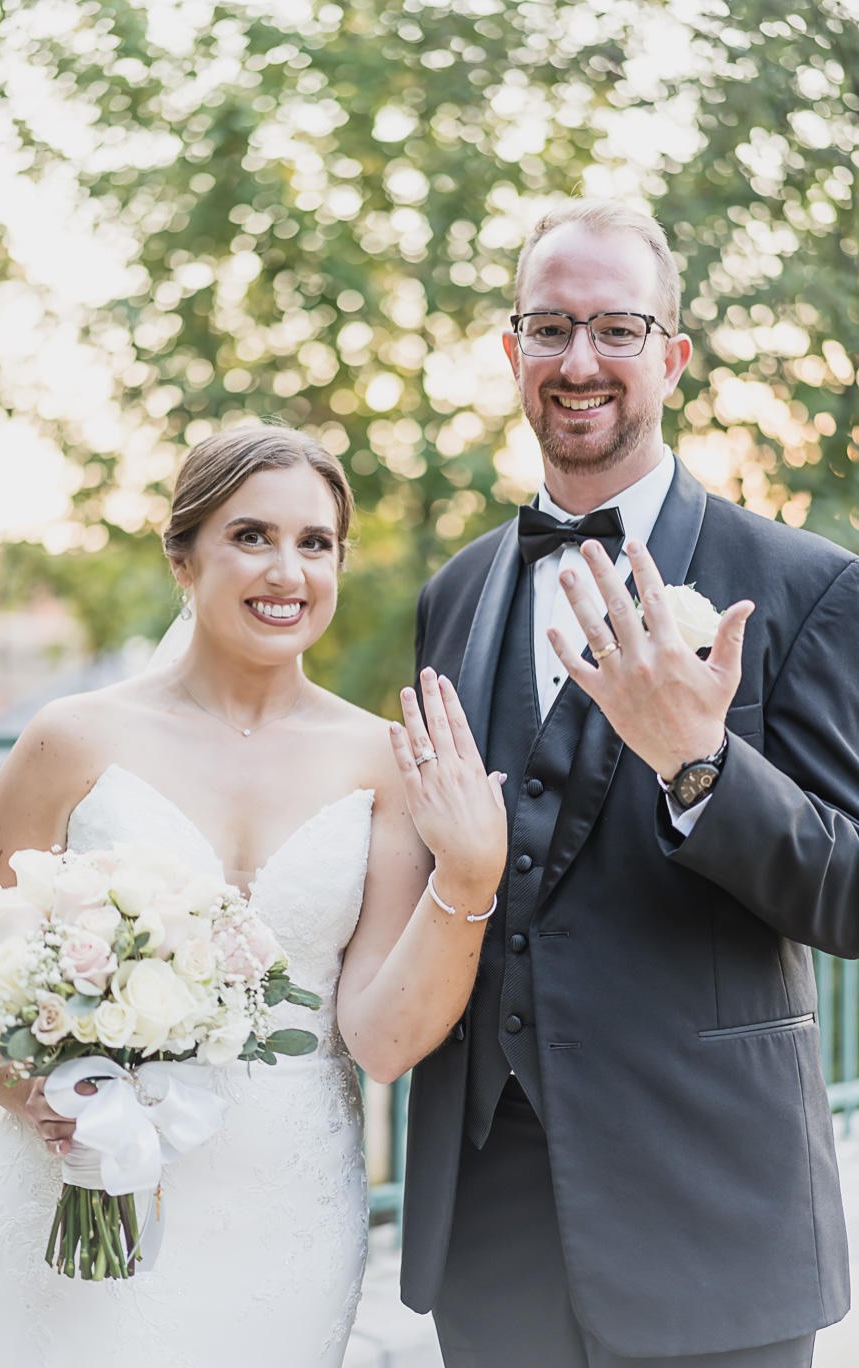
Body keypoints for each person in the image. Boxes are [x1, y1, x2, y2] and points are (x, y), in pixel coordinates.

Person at [401, 198, 859, 1368]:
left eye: (615, 327)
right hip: (488, 1217)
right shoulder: (453, 594)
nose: (579, 361)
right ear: (511, 355)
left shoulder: (804, 585)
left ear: (670, 356)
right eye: (547, 329)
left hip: (702, 1211)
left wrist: (699, 766)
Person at [0, 425, 507, 1368]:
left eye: (315, 543)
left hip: (286, 1223)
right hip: (83, 1198)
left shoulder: (382, 760)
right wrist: (44, 1097)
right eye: (251, 536)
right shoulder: (71, 737)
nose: (287, 571)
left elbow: (382, 1039)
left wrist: (470, 877)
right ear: (182, 555)